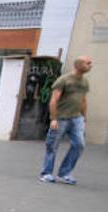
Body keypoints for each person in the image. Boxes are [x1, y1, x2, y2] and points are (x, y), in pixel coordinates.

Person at [39, 55, 93, 185]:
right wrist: (53, 119)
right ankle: (46, 173)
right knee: (52, 146)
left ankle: (64, 173)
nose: (91, 65)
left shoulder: (85, 82)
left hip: (76, 118)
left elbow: (83, 100)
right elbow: (53, 100)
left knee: (79, 144)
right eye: (88, 63)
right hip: (61, 118)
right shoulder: (63, 80)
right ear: (78, 65)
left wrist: (84, 116)